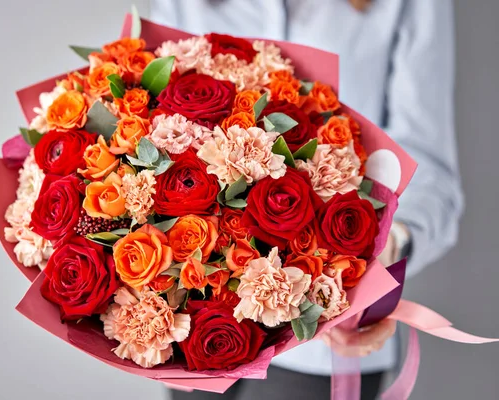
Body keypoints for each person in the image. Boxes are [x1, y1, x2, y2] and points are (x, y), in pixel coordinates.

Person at [149, 0, 464, 399]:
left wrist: (386, 251)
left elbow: (431, 175)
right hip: (197, 327)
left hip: (323, 335)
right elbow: (151, 122)